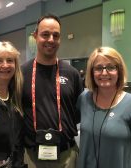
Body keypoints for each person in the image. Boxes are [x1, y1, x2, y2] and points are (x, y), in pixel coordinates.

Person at [21, 14, 83, 168]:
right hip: (31, 156)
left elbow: (78, 112)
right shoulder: (21, 73)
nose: (50, 40)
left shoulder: (72, 73)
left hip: (66, 156)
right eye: (45, 34)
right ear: (35, 36)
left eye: (56, 35)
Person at [77, 47, 131, 168]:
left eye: (111, 67)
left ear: (119, 71)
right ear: (91, 72)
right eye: (98, 68)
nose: (104, 73)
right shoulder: (84, 99)